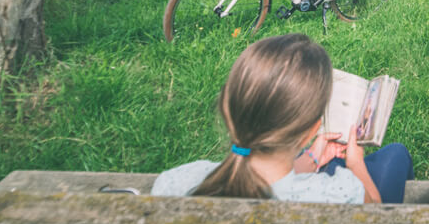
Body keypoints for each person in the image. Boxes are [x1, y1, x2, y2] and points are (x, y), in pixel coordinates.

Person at [152, 33, 413, 203]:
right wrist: (356, 163)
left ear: (229, 109)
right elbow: (375, 211)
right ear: (311, 131)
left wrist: (310, 160)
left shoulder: (174, 182)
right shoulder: (337, 194)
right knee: (396, 154)